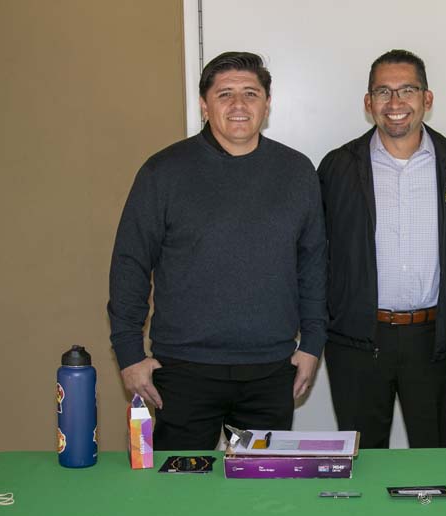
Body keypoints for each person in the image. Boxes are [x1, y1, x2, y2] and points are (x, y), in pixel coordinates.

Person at [107, 52, 327, 450]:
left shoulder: (297, 172)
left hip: (269, 371)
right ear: (204, 105)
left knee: (260, 499)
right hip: (185, 371)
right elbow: (130, 263)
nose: (239, 105)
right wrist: (128, 352)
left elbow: (313, 265)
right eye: (225, 94)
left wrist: (312, 343)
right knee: (182, 495)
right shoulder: (164, 172)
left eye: (251, 93)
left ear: (267, 103)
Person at [318, 49, 446, 449]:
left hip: (436, 341)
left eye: (407, 89)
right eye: (383, 91)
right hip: (358, 341)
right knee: (364, 461)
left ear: (427, 98)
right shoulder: (337, 167)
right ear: (368, 102)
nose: (395, 103)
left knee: (438, 458)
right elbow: (312, 251)